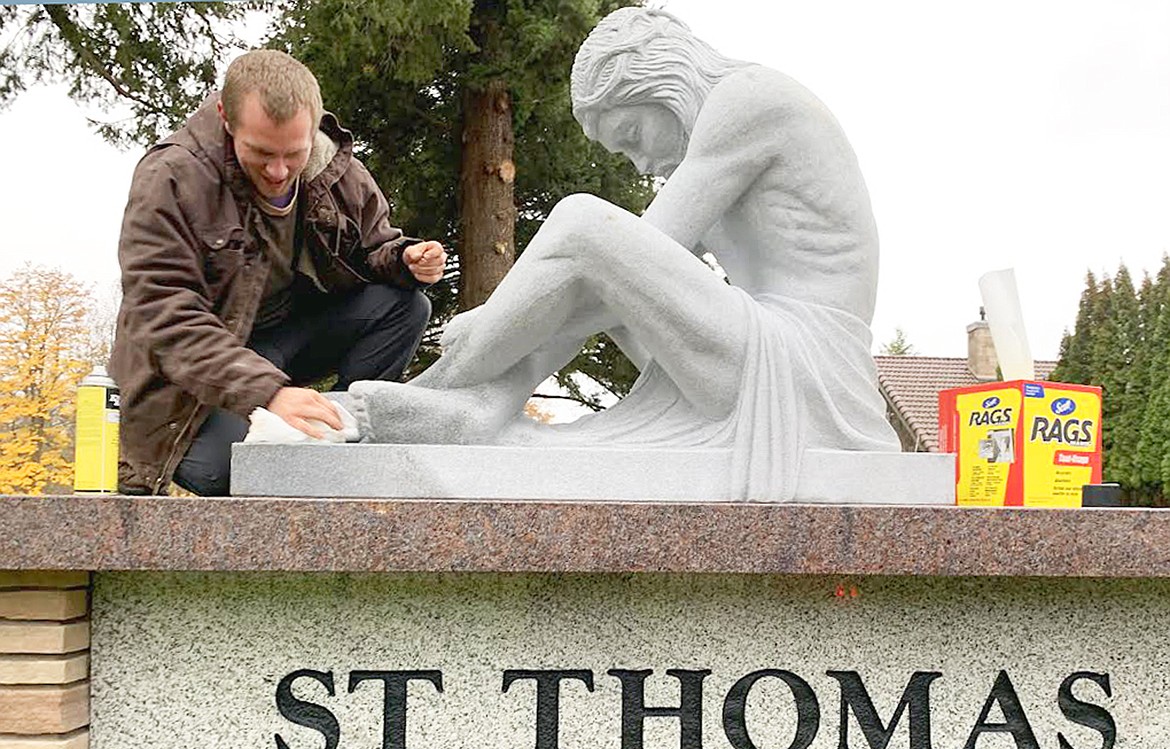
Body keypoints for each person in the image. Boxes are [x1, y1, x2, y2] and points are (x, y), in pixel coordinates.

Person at [348, 8, 898, 502]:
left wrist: (493, 325)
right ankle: (473, 404)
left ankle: (445, 392)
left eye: (633, 133)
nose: (639, 164)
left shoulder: (750, 101)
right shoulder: (718, 146)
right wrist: (505, 331)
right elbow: (604, 287)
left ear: (664, 84)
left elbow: (604, 251)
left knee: (582, 223)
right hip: (763, 355)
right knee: (592, 279)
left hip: (805, 368)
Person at [109, 49, 447, 496]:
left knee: (405, 306)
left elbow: (373, 247)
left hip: (287, 337)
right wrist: (268, 394)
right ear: (226, 118)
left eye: (294, 154)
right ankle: (265, 436)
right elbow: (165, 317)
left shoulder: (334, 169)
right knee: (225, 472)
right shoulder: (170, 178)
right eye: (261, 152)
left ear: (313, 125)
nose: (279, 171)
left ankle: (342, 432)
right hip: (193, 369)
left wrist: (403, 258)